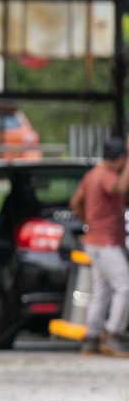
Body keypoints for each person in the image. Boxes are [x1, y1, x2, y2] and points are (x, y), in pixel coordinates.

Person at [70, 136, 129, 356]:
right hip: (106, 243)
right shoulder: (106, 175)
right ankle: (113, 334)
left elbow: (75, 200)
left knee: (101, 292)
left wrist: (87, 220)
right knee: (124, 286)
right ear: (120, 158)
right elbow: (120, 187)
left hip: (94, 241)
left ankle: (91, 338)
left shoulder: (91, 174)